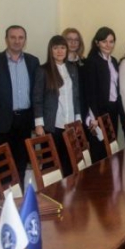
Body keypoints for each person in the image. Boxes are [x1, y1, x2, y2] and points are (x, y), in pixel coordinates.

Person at [0, 25, 39, 175]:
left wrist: (37, 121)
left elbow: (36, 93)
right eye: (13, 37)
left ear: (25, 40)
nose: (17, 41)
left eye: (20, 38)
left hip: (24, 121)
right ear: (6, 39)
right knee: (0, 167)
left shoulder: (33, 62)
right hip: (1, 122)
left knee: (21, 163)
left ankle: (20, 191)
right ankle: (1, 191)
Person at [32, 35, 81, 177]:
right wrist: (39, 124)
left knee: (69, 163)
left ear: (66, 50)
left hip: (70, 124)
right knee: (51, 166)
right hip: (52, 124)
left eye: (62, 48)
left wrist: (78, 119)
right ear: (50, 50)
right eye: (55, 48)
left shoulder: (72, 68)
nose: (59, 51)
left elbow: (76, 96)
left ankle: (70, 190)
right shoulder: (43, 70)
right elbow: (37, 98)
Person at [83, 27, 119, 162]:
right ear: (97, 43)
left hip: (112, 110)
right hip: (99, 112)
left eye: (111, 41)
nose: (108, 45)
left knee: (111, 148)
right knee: (99, 150)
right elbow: (90, 92)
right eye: (104, 41)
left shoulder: (113, 61)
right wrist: (94, 117)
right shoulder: (92, 61)